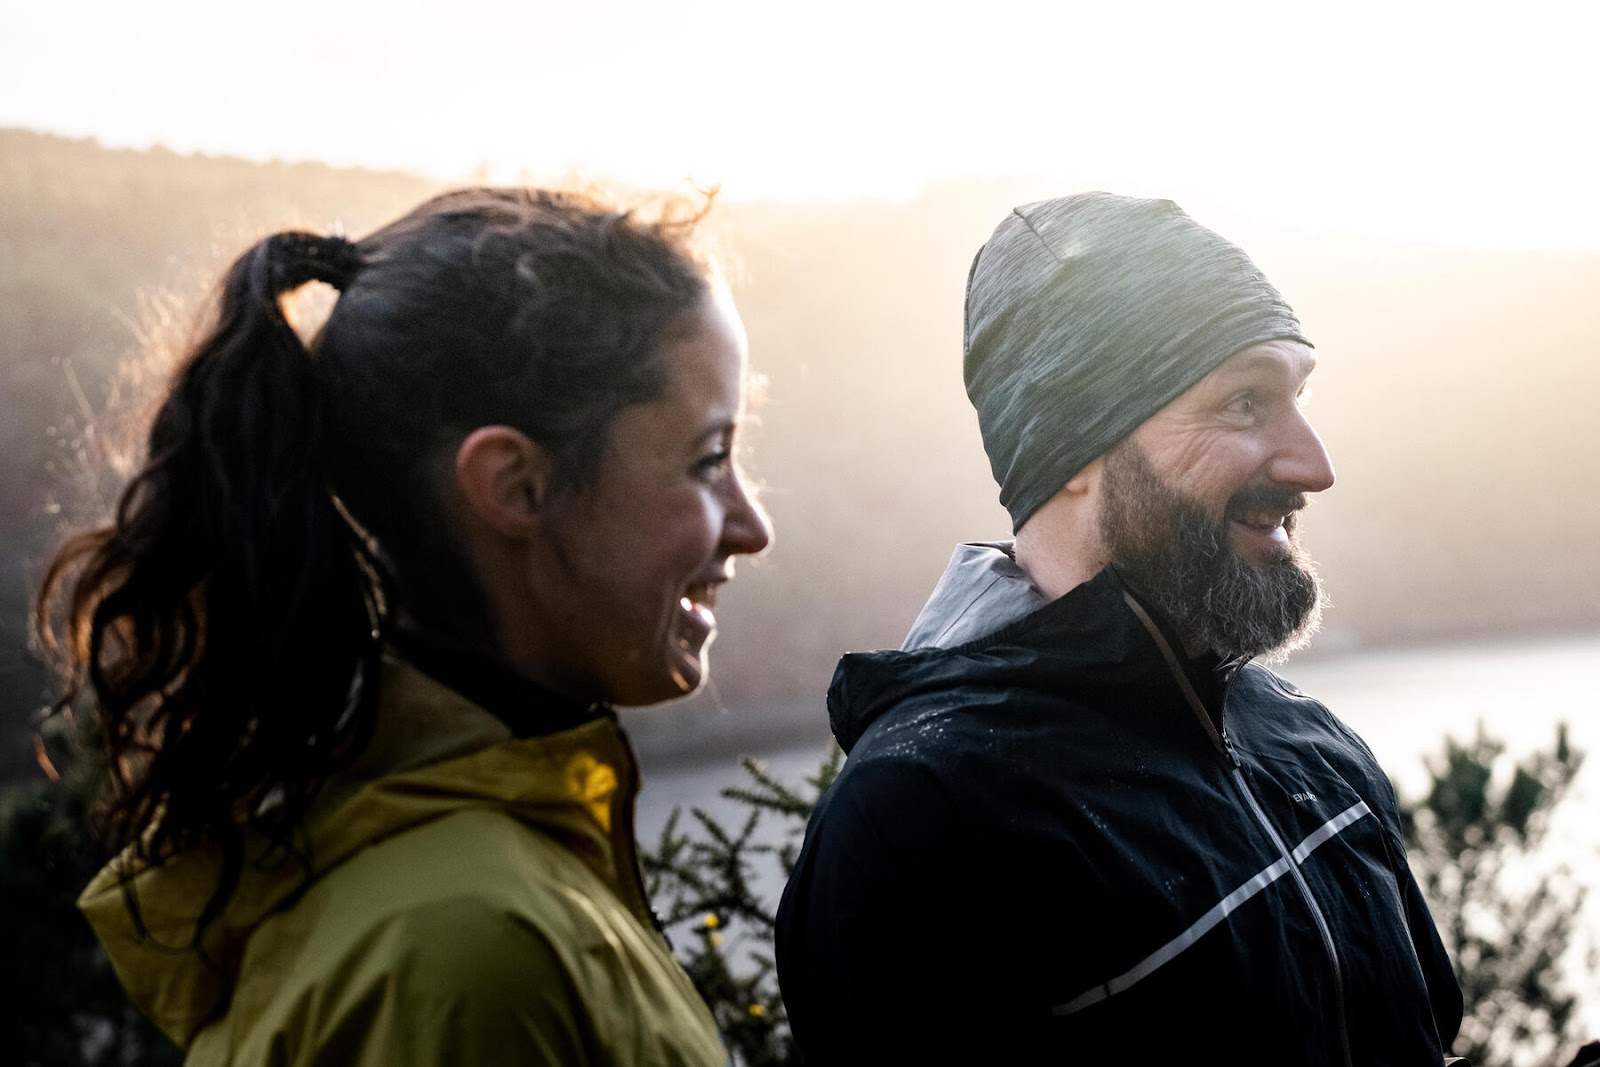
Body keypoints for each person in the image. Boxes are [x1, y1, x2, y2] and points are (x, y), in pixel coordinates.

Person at [33, 186, 771, 1065]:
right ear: (516, 485)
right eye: (708, 459)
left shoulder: (443, 874)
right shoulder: (471, 949)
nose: (752, 524)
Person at [774, 192, 1464, 1065]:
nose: (1314, 465)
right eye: (1245, 402)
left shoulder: (1302, 737)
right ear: (1073, 449)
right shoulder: (924, 819)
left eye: (1297, 396)